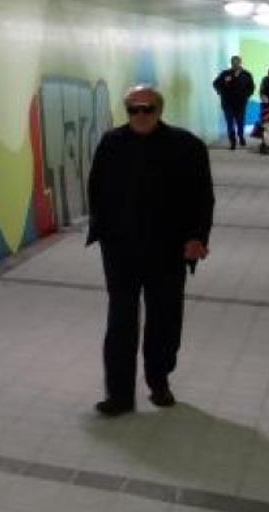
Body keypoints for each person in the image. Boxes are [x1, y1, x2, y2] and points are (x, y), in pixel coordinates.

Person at [86, 85, 214, 416]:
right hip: (121, 249)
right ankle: (119, 395)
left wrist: (197, 237)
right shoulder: (111, 144)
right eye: (133, 109)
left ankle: (159, 381)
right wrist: (102, 231)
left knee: (165, 319)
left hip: (168, 250)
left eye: (147, 109)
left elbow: (203, 197)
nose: (140, 115)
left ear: (160, 110)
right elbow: (96, 188)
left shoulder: (187, 146)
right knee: (120, 321)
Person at [212, 55, 254, 149]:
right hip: (227, 102)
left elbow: (251, 87)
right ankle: (232, 141)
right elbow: (215, 84)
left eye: (237, 62)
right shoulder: (225, 74)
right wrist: (221, 89)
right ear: (231, 63)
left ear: (240, 63)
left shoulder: (246, 74)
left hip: (240, 103)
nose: (235, 64)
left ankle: (241, 136)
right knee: (230, 122)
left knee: (240, 122)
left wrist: (246, 95)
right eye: (233, 62)